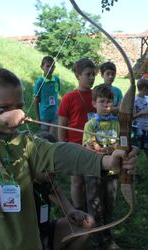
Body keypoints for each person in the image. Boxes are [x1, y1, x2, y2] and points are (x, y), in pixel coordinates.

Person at [0, 67, 137, 250]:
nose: (16, 113)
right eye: (4, 107)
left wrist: (106, 162)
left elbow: (61, 152)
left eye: (19, 106)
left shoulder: (28, 143)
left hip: (22, 243)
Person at [34, 131, 94, 250]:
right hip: (29, 237)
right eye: (47, 164)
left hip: (44, 231)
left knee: (86, 223)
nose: (53, 171)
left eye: (54, 163)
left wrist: (70, 210)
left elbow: (54, 189)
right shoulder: (23, 185)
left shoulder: (46, 180)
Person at [82, 84, 121, 250]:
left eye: (109, 102)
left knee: (109, 204)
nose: (106, 105)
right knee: (95, 204)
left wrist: (111, 149)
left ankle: (108, 237)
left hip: (112, 171)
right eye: (102, 102)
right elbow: (88, 144)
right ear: (94, 103)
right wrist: (97, 148)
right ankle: (97, 238)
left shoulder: (116, 124)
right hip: (94, 171)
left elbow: (120, 143)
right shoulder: (90, 125)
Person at [57, 58, 97, 211]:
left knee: (92, 179)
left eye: (93, 74)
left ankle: (92, 207)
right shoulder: (69, 97)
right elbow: (62, 124)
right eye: (88, 74)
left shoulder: (97, 96)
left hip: (94, 144)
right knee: (77, 181)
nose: (92, 78)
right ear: (78, 76)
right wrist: (62, 145)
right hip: (74, 144)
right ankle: (79, 210)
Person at [132, 78, 148, 182]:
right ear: (144, 89)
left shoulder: (147, 99)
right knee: (134, 153)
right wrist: (141, 113)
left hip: (146, 128)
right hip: (137, 129)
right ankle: (135, 174)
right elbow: (131, 116)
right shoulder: (134, 100)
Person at [33, 56, 61, 135]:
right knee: (44, 137)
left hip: (55, 114)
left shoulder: (56, 80)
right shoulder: (40, 82)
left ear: (54, 67)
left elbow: (56, 94)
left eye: (52, 67)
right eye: (47, 66)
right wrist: (38, 117)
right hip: (44, 115)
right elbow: (36, 100)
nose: (50, 69)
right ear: (42, 67)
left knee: (52, 137)